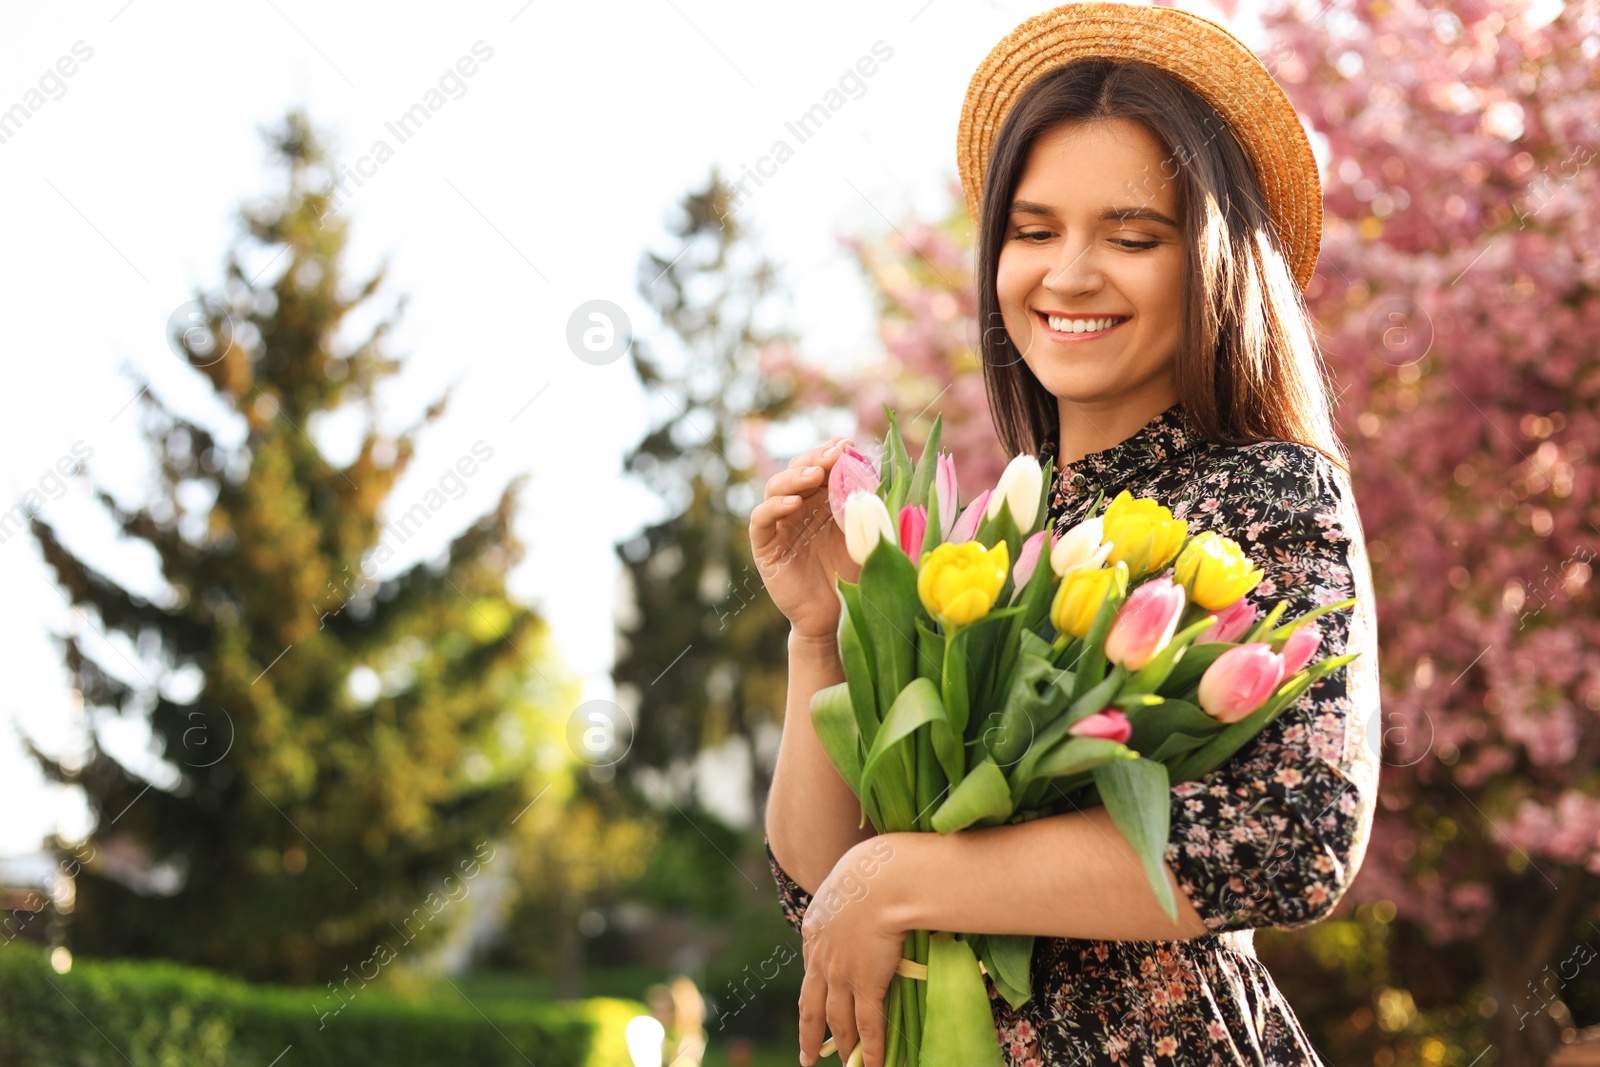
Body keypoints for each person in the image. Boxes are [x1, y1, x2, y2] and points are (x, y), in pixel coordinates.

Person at [750, 4, 1383, 1066]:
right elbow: (827, 886)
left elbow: (1294, 836)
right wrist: (823, 632)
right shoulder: (995, 541)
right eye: (1033, 231)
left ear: (1212, 261)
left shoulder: (1262, 493)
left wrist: (904, 876)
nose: (1069, 273)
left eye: (1131, 236)